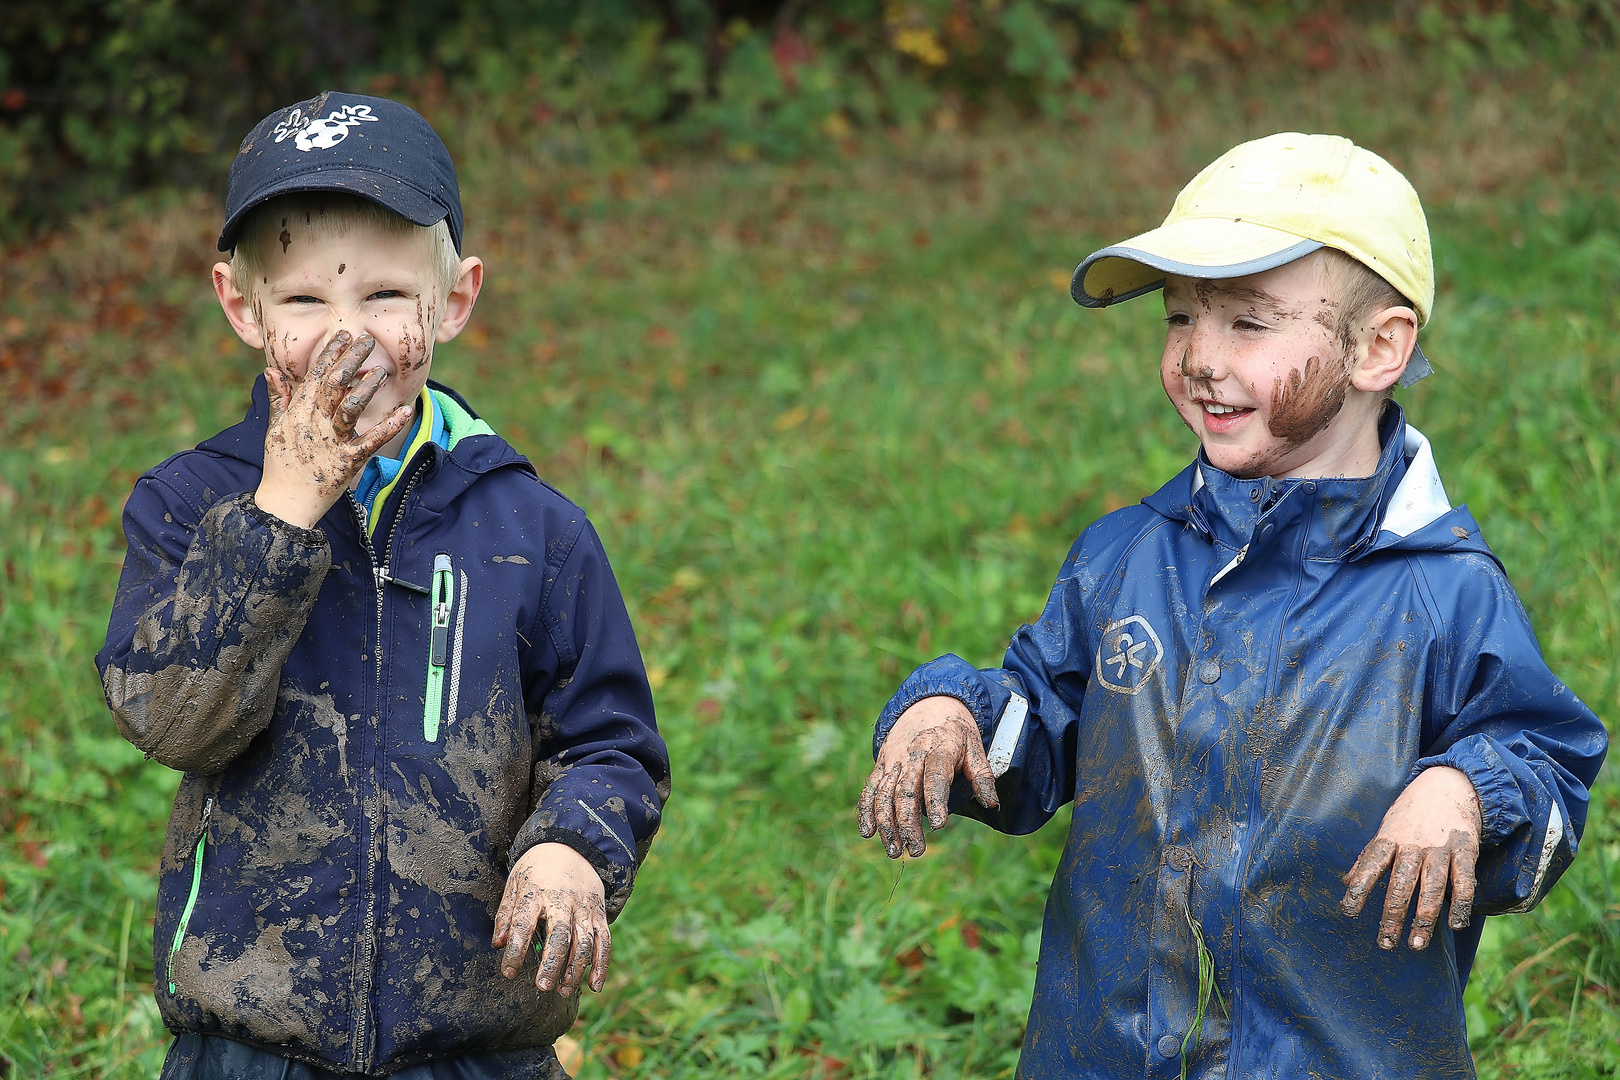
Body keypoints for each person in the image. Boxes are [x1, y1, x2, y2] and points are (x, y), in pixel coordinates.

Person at [857, 132, 1607, 1078]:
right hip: (1108, 1052)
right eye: (1179, 319)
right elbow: (1042, 725)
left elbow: (1545, 766)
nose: (1200, 358)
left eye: (1249, 324)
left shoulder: (1443, 592)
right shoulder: (1126, 556)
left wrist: (1465, 787)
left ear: (1379, 346)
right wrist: (953, 712)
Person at [96, 92, 670, 1080]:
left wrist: (573, 844)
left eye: (387, 298)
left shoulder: (536, 532)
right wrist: (281, 514)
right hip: (251, 1041)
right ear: (245, 308)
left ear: (455, 300)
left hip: (475, 1042)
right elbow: (173, 719)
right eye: (307, 302)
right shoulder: (188, 508)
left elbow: (609, 742)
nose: (347, 339)